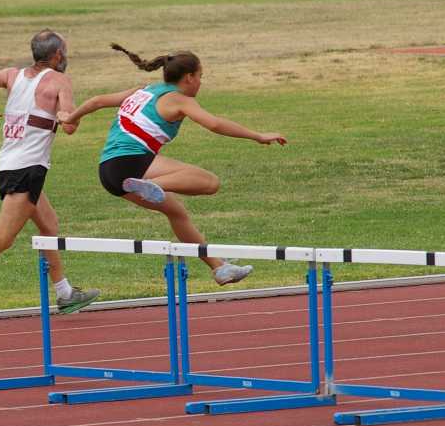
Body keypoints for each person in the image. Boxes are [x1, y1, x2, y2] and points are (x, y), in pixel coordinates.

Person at [57, 43, 287, 287]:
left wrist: (69, 118)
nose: (201, 82)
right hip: (131, 164)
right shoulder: (179, 99)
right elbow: (215, 124)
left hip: (108, 172)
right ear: (189, 77)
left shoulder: (143, 90)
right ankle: (150, 185)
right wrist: (257, 135)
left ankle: (219, 268)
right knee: (210, 182)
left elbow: (96, 101)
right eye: (200, 77)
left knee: (177, 212)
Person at [0, 29, 100, 327]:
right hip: (29, 167)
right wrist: (72, 117)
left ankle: (64, 292)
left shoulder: (12, 75)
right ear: (57, 55)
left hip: (8, 163)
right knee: (3, 237)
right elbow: (71, 126)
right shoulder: (60, 81)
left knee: (49, 224)